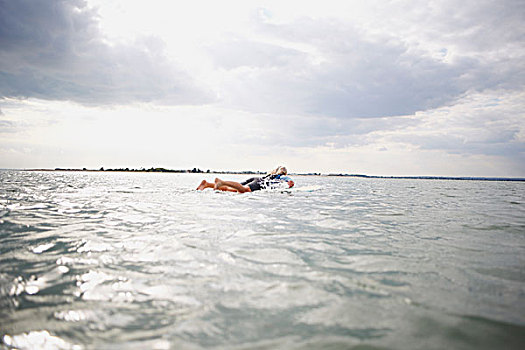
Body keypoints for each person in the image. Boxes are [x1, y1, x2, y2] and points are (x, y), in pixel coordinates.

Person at [196, 166, 294, 193]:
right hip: (260, 183)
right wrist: (290, 183)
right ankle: (222, 182)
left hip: (256, 179)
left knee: (235, 188)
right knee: (243, 190)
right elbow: (289, 181)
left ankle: (207, 184)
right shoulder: (281, 176)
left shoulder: (270, 175)